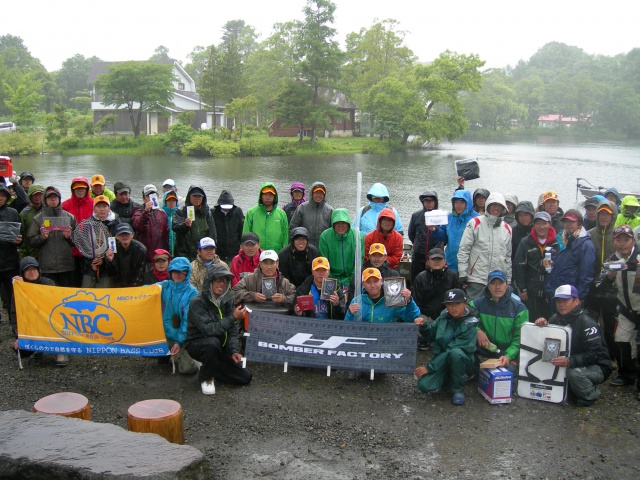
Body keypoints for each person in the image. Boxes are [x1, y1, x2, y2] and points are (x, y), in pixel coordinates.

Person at [534, 285, 611, 407]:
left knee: (573, 373)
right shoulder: (555, 318)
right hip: (571, 361)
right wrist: (543, 325)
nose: (561, 304)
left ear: (576, 301)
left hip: (598, 366)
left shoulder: (587, 322)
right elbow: (548, 345)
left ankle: (591, 394)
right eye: (558, 301)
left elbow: (595, 354)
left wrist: (570, 361)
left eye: (565, 300)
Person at [185, 264, 252, 395]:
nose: (222, 284)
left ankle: (210, 367)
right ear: (210, 280)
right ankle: (206, 377)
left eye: (225, 281)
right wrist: (233, 318)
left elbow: (233, 330)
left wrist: (233, 351)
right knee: (212, 342)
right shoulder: (197, 302)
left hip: (220, 347)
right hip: (197, 344)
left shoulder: (228, 300)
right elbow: (208, 330)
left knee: (245, 377)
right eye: (218, 280)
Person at [414, 288, 478, 406]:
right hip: (441, 360)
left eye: (457, 304)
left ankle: (458, 390)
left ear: (465, 303)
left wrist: (429, 368)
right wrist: (423, 326)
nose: (453, 308)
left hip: (462, 362)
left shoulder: (471, 324)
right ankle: (448, 379)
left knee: (456, 353)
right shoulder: (444, 316)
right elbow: (431, 334)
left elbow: (450, 351)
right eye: (449, 304)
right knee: (423, 385)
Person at [596, 225, 639, 396]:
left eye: (626, 240)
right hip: (626, 309)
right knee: (621, 341)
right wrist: (609, 277)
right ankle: (627, 374)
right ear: (613, 241)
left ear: (633, 240)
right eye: (618, 240)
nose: (622, 244)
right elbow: (599, 285)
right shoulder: (612, 260)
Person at [469, 270, 528, 375]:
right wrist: (477, 330)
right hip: (488, 346)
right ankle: (475, 371)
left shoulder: (519, 307)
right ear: (488, 286)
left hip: (507, 350)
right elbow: (466, 318)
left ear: (506, 285)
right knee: (465, 342)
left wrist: (508, 355)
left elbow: (520, 338)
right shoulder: (477, 303)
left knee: (507, 372)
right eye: (493, 283)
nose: (497, 287)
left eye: (500, 283)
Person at [9, 256, 64, 366]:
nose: (31, 272)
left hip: (51, 323)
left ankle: (61, 352)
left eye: (34, 269)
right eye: (27, 270)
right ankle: (39, 347)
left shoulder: (49, 284)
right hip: (32, 326)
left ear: (39, 270)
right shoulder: (18, 289)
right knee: (20, 349)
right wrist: (19, 336)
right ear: (22, 273)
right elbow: (14, 315)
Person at [457, 192, 512, 300]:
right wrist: (462, 273)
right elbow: (464, 250)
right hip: (477, 278)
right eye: (493, 205)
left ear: (503, 208)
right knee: (473, 309)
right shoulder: (475, 223)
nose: (496, 208)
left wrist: (508, 280)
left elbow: (508, 256)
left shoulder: (507, 228)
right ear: (488, 206)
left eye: (499, 206)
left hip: (498, 280)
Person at [156, 257, 199, 375]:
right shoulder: (164, 286)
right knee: (148, 351)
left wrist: (179, 342)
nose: (178, 274)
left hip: (183, 338)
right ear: (170, 272)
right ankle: (168, 352)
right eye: (175, 271)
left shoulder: (193, 293)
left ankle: (192, 357)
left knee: (187, 370)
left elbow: (187, 322)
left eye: (182, 271)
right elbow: (146, 292)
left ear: (187, 272)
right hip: (165, 335)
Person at [586, 200, 618, 357]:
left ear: (613, 216)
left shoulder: (620, 235)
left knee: (611, 324)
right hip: (593, 287)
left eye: (607, 214)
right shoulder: (590, 234)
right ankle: (594, 353)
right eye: (601, 214)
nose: (604, 217)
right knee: (591, 322)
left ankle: (611, 355)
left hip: (613, 289)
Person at [513, 211, 559, 320]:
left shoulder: (557, 242)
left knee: (549, 323)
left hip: (550, 292)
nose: (541, 227)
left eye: (545, 223)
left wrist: (554, 264)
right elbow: (518, 266)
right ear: (533, 225)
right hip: (530, 292)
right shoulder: (526, 242)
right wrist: (522, 289)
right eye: (538, 223)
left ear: (550, 224)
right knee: (530, 322)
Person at [28, 186, 76, 287]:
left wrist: (70, 237)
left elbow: (78, 242)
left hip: (66, 266)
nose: (53, 199)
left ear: (59, 199)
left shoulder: (70, 217)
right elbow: (31, 241)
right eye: (50, 197)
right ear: (45, 200)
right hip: (47, 266)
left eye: (55, 197)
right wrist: (42, 237)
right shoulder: (38, 219)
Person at [545, 209, 595, 305]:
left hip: (571, 296)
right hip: (556, 292)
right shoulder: (562, 239)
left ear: (579, 224)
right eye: (566, 221)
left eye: (572, 222)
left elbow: (587, 275)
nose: (568, 224)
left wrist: (579, 297)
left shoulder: (586, 245)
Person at [345, 267, 420, 322]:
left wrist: (410, 301)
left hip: (387, 340)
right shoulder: (357, 301)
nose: (372, 285)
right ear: (363, 284)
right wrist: (350, 314)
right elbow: (347, 328)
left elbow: (413, 318)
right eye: (368, 282)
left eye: (375, 281)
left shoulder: (392, 299)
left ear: (381, 281)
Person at [78, 195, 119, 288]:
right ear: (94, 209)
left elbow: (118, 247)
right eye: (99, 206)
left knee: (104, 297)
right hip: (90, 269)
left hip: (107, 270)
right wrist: (91, 262)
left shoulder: (116, 223)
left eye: (104, 206)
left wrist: (104, 260)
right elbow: (83, 247)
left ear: (109, 208)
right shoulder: (87, 224)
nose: (102, 209)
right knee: (85, 295)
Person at [319, 208, 364, 289]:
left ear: (348, 223)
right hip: (331, 277)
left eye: (343, 223)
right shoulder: (325, 237)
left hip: (351, 278)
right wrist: (332, 281)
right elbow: (324, 262)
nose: (340, 226)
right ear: (333, 223)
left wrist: (351, 281)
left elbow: (359, 262)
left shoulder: (357, 236)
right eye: (337, 223)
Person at [412, 248, 460, 322]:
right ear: (428, 261)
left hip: (448, 316)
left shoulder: (453, 276)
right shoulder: (420, 278)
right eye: (433, 259)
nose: (437, 261)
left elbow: (459, 300)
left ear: (445, 261)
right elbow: (415, 302)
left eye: (440, 259)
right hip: (425, 316)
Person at [61, 177, 93, 287]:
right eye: (77, 188)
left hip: (89, 250)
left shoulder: (94, 204)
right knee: (73, 279)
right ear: (73, 190)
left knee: (88, 277)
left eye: (82, 188)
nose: (80, 191)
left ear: (87, 189)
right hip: (71, 251)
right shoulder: (64, 206)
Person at [408, 190, 446, 282]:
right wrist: (418, 244)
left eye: (431, 201)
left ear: (435, 202)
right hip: (418, 256)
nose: (428, 203)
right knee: (416, 281)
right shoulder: (415, 215)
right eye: (426, 201)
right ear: (423, 202)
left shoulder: (441, 216)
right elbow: (411, 234)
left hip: (435, 256)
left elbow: (445, 237)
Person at [172, 185, 217, 262]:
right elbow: (175, 227)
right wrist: (185, 225)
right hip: (184, 254)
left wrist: (210, 250)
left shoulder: (207, 213)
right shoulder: (180, 211)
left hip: (202, 254)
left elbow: (212, 233)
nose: (197, 198)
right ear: (189, 197)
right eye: (194, 196)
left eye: (199, 196)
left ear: (203, 198)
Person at [243, 182, 289, 252]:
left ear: (274, 196)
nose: (268, 197)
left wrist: (284, 252)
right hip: (256, 254)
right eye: (265, 194)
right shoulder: (251, 213)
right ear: (261, 196)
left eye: (271, 195)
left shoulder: (282, 214)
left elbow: (285, 236)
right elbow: (246, 234)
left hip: (276, 254)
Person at [443, 189, 479, 273]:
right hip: (450, 263)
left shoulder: (477, 219)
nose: (459, 205)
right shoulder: (449, 217)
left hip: (470, 267)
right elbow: (443, 239)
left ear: (468, 203)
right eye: (456, 202)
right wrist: (435, 230)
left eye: (462, 202)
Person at [132, 184, 169, 263]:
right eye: (148, 196)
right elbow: (138, 226)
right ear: (143, 198)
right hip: (147, 257)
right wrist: (146, 212)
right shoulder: (138, 212)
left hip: (161, 255)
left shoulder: (162, 213)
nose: (151, 198)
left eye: (154, 195)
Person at [0, 182, 22, 315]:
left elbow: (21, 236)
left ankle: (15, 327)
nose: (0, 198)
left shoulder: (13, 212)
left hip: (10, 262)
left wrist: (19, 241)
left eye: (3, 196)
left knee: (12, 296)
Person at [289, 182, 333, 248]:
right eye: (316, 193)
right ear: (312, 194)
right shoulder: (302, 208)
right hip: (304, 248)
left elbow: (333, 232)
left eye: (321, 193)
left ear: (324, 195)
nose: (318, 195)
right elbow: (292, 228)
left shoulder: (330, 210)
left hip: (322, 248)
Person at [105, 222, 147, 287]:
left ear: (132, 234)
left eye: (127, 234)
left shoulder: (141, 249)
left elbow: (140, 272)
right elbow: (111, 273)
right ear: (116, 236)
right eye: (121, 234)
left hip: (136, 286)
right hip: (118, 286)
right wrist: (110, 261)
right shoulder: (112, 249)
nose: (124, 237)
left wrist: (132, 288)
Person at [211, 190, 244, 264]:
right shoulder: (213, 212)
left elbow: (241, 231)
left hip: (234, 251)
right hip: (218, 251)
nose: (226, 209)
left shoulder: (238, 212)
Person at [18, 184, 45, 259]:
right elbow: (22, 236)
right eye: (35, 195)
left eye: (40, 194)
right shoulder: (24, 214)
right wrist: (22, 255)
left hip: (46, 251)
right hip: (31, 252)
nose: (38, 197)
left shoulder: (48, 210)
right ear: (30, 196)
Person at [162, 190, 179, 257]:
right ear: (165, 202)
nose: (171, 203)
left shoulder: (180, 215)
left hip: (178, 252)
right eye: (169, 201)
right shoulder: (161, 215)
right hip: (164, 250)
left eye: (173, 201)